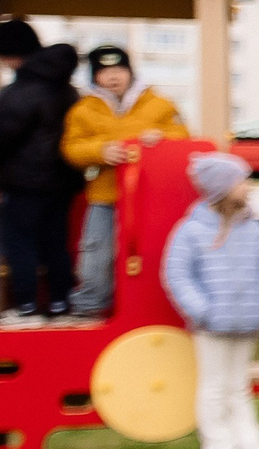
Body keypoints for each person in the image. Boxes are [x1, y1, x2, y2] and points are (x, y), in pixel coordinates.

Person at [162, 151, 259, 449]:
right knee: (215, 388)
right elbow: (177, 273)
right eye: (241, 181)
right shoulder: (191, 231)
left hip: (246, 320)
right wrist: (203, 311)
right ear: (222, 187)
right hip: (212, 325)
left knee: (238, 387)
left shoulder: (253, 229)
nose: (248, 187)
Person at [61, 44, 188, 316]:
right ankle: (90, 307)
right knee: (96, 252)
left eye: (119, 70)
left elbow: (184, 136)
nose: (113, 77)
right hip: (105, 195)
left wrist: (160, 140)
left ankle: (151, 308)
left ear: (130, 72)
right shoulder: (84, 109)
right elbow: (71, 148)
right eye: (105, 72)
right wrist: (101, 150)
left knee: (151, 252)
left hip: (148, 198)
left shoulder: (159, 104)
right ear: (94, 76)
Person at [0, 39, 86, 321]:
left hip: (23, 183)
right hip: (62, 184)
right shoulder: (71, 93)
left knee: (20, 243)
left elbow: (4, 137)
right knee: (55, 244)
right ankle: (60, 303)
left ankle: (26, 306)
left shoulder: (22, 91)